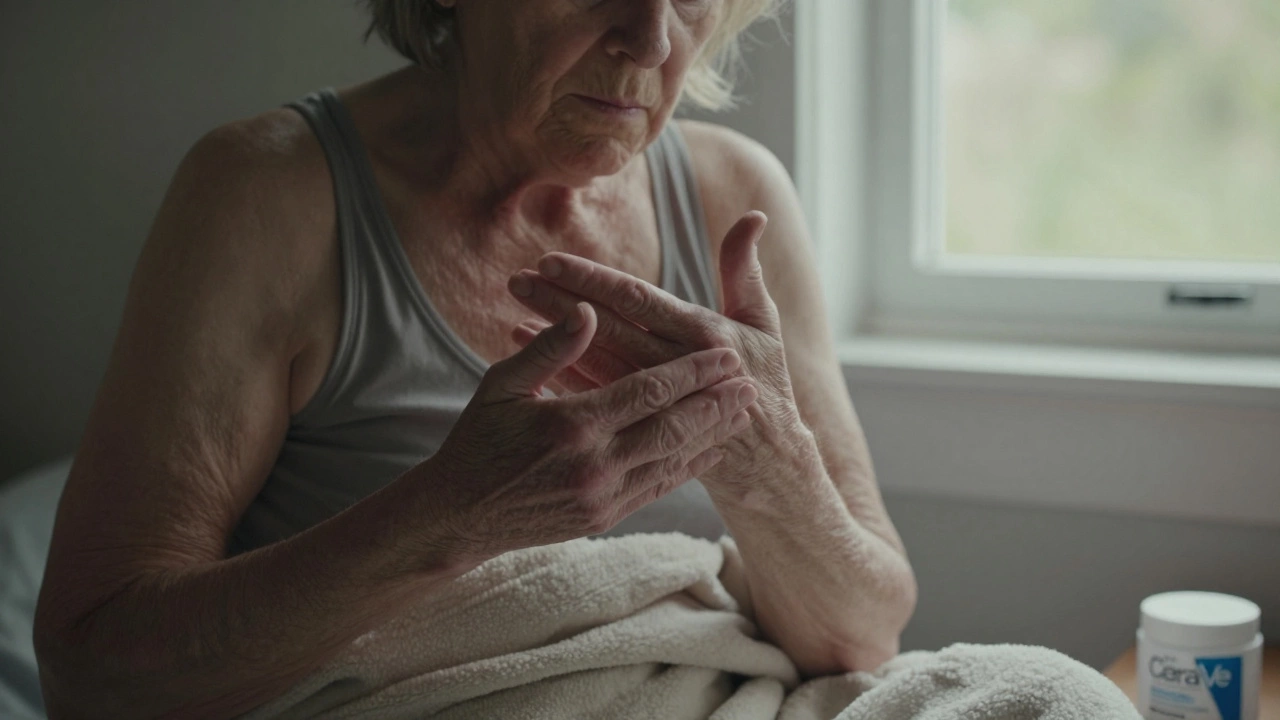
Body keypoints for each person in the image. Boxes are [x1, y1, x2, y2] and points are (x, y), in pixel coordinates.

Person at [33, 0, 917, 716]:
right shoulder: (265, 197)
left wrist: (770, 468)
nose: (650, 40)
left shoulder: (736, 197)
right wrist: (452, 518)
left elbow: (865, 633)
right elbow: (93, 674)